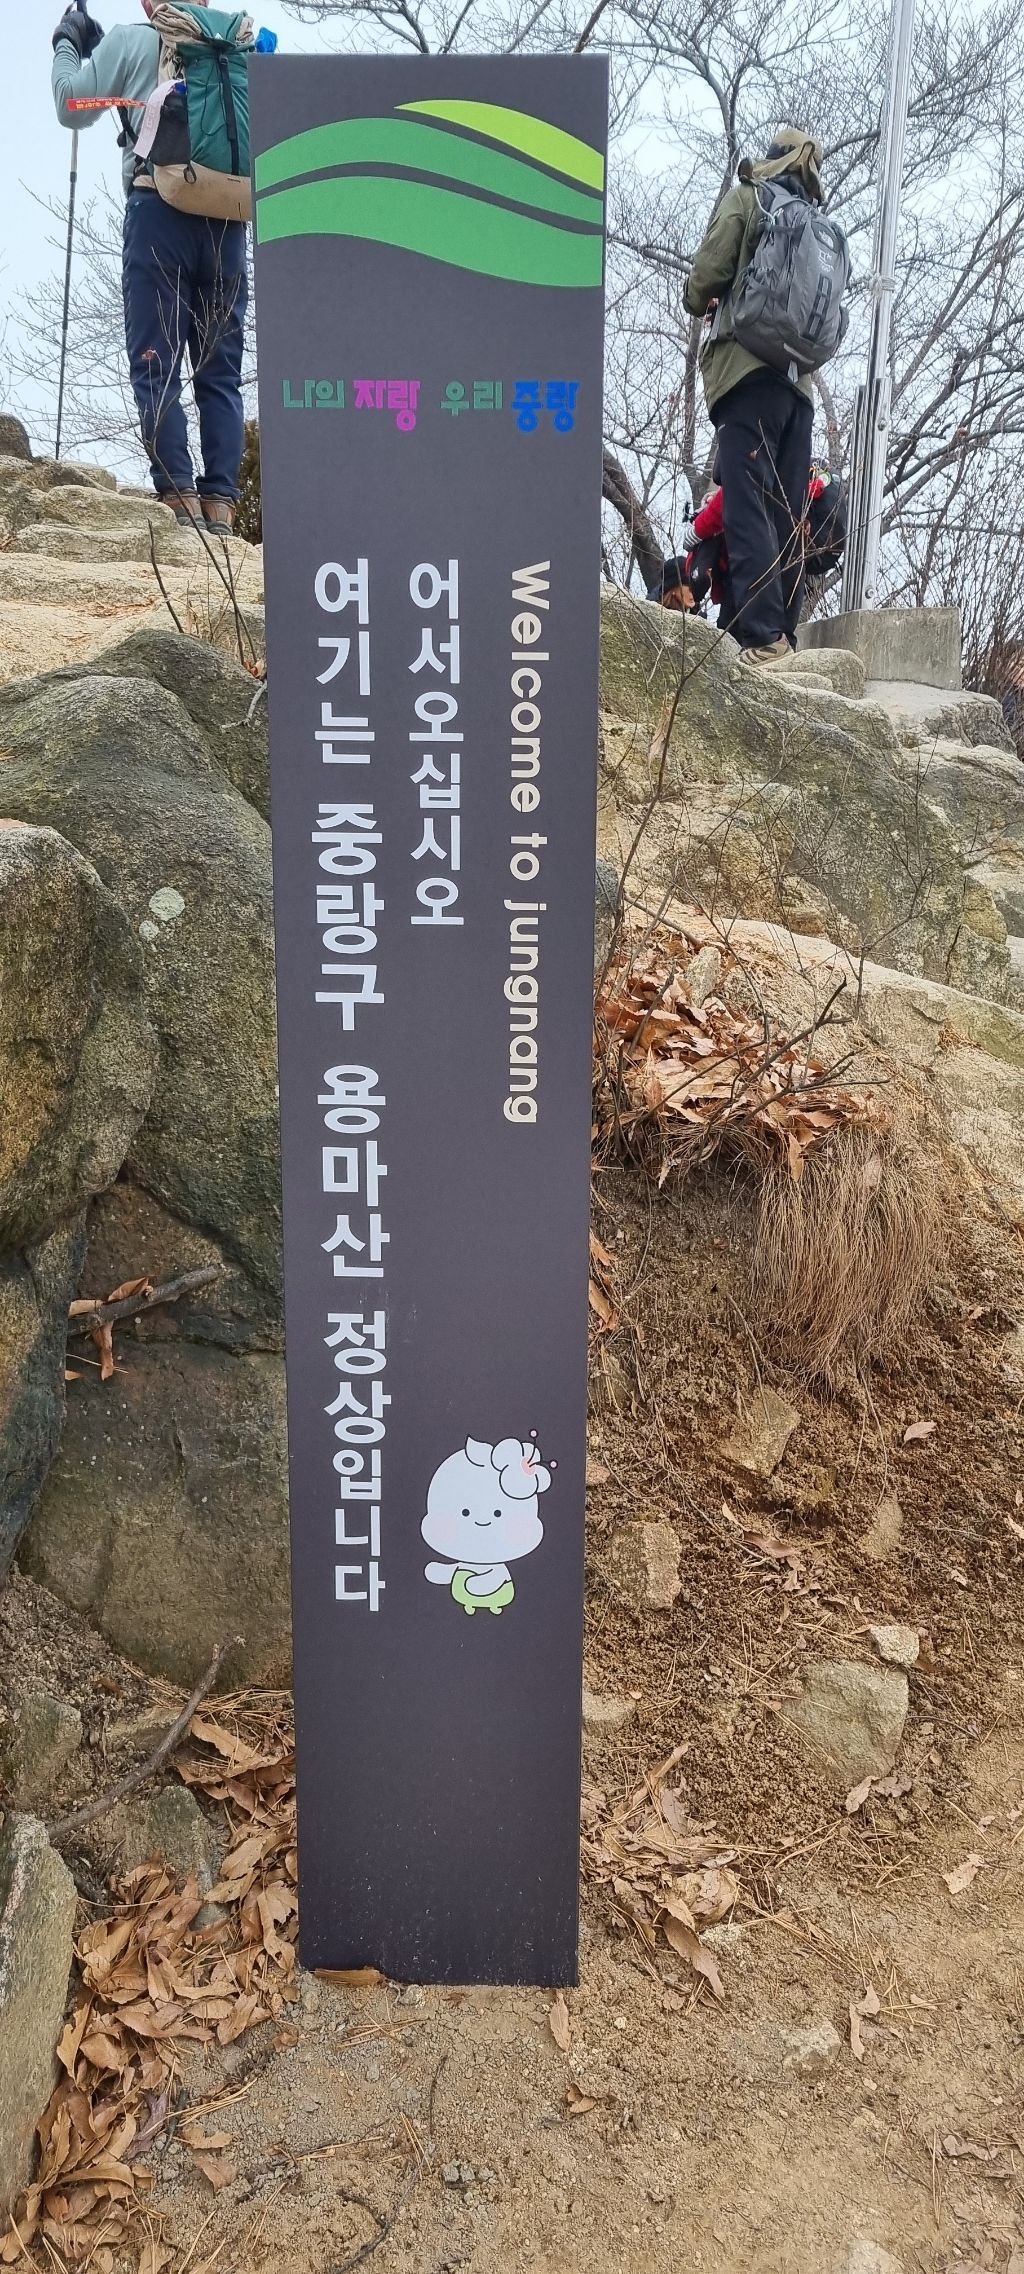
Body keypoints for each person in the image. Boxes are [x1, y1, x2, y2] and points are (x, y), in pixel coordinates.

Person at [51, 0, 249, 529]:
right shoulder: (238, 46)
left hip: (159, 212)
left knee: (156, 363)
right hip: (229, 221)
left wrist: (69, 43)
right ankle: (222, 507)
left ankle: (179, 500)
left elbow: (72, 105)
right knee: (220, 374)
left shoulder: (133, 39)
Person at [684, 128, 826, 665]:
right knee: (787, 511)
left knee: (746, 504)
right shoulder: (814, 223)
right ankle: (782, 632)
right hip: (798, 388)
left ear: (771, 161)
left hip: (746, 378)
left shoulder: (750, 198)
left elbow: (706, 277)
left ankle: (763, 636)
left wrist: (698, 297)